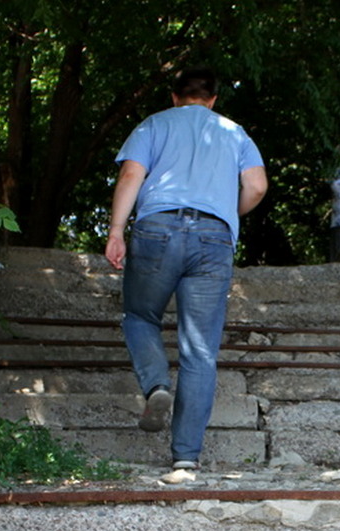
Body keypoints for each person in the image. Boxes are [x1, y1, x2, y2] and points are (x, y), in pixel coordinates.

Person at [106, 69, 268, 470]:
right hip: (214, 238)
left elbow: (130, 174)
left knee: (140, 315)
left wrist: (115, 231)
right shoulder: (234, 132)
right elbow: (258, 186)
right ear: (213, 99)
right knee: (200, 350)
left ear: (174, 96)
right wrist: (228, 215)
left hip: (157, 229)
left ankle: (157, 384)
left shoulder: (155, 123)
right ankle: (186, 459)